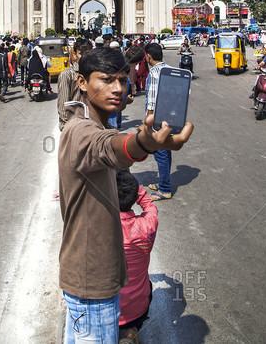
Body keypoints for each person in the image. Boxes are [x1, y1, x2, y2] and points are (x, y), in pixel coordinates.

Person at [58, 47, 193, 342]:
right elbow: (110, 146)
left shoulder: (93, 123)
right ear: (82, 82)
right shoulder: (80, 130)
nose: (117, 88)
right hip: (92, 280)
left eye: (122, 79)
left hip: (95, 276)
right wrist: (145, 142)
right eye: (106, 80)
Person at [116, 170, 158, 343]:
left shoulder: (100, 228)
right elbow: (150, 206)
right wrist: (135, 189)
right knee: (147, 285)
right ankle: (131, 330)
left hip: (108, 311)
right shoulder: (148, 225)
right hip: (139, 309)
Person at [144, 42, 172, 200]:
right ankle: (163, 181)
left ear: (149, 56)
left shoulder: (154, 73)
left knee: (160, 152)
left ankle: (165, 189)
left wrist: (147, 121)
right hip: (169, 116)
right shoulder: (169, 70)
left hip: (157, 118)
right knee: (165, 150)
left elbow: (152, 100)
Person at [57, 39, 92, 130]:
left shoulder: (95, 73)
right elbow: (63, 105)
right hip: (74, 126)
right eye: (81, 53)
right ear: (75, 55)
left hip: (92, 124)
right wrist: (67, 127)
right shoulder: (67, 75)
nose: (84, 56)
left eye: (87, 53)